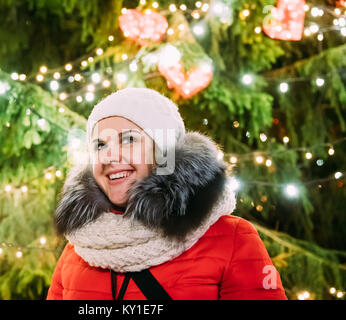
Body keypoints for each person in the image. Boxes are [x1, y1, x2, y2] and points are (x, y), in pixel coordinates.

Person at [46, 87, 287, 300]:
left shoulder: (232, 238)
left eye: (129, 140)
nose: (109, 156)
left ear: (164, 153)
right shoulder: (80, 248)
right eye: (100, 145)